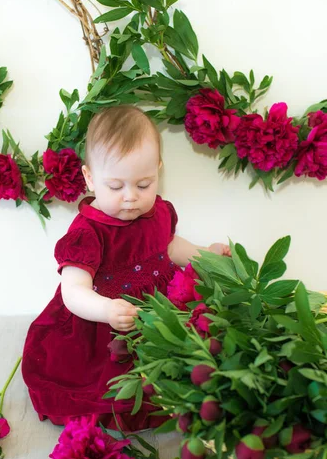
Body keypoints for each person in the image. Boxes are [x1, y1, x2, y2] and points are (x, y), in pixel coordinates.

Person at [22, 105, 231, 432]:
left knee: (196, 361)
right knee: (120, 391)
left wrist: (206, 255)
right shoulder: (87, 233)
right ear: (90, 178)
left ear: (158, 171)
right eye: (116, 187)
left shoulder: (158, 212)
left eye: (144, 184)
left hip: (161, 311)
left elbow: (170, 247)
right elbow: (73, 291)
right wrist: (106, 309)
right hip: (105, 326)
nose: (131, 198)